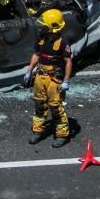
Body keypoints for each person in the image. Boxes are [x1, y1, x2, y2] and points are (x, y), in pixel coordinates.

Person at [26, 9, 73, 148]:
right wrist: (29, 70)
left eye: (46, 24)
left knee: (56, 107)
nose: (42, 26)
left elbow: (68, 62)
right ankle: (38, 131)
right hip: (40, 76)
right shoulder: (42, 37)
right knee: (39, 105)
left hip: (54, 79)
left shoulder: (63, 41)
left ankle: (62, 134)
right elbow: (36, 54)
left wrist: (66, 80)